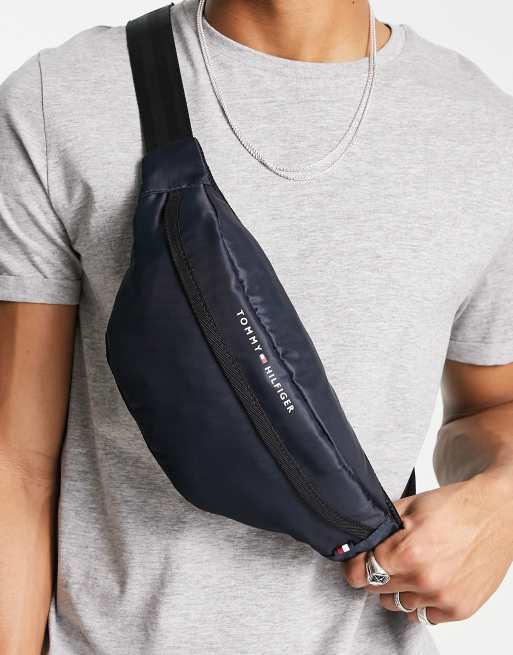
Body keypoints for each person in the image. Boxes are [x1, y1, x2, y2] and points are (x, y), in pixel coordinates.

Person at [1, 0, 512, 653]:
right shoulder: (61, 100)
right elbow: (17, 466)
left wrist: (501, 501)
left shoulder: (483, 133)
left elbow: (490, 408)